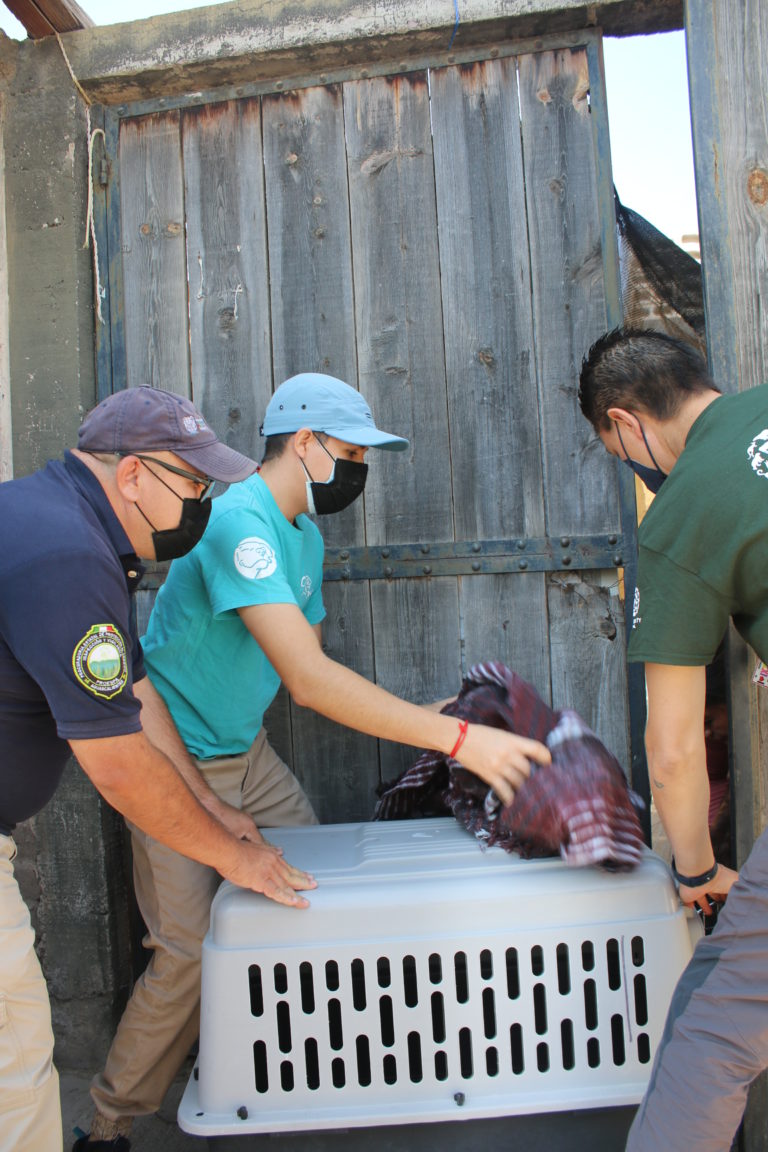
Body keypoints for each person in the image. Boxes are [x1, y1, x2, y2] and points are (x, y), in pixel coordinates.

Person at [83, 371, 552, 1149]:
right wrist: (459, 741)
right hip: (177, 760)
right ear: (303, 443)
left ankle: (299, 1081)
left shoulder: (304, 533)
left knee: (314, 909)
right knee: (186, 954)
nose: (360, 467)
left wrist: (445, 710)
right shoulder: (242, 524)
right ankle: (108, 1125)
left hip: (247, 753)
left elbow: (313, 663)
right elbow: (307, 683)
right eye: (351, 450)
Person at [0, 385, 317, 1152]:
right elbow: (117, 766)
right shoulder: (68, 554)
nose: (203, 505)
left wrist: (214, 810)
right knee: (18, 1070)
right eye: (194, 485)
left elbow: (135, 697)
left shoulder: (66, 526)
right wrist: (232, 857)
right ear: (134, 475)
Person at [578, 326, 768, 1152]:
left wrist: (694, 868)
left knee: (714, 1023)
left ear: (627, 424)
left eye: (615, 451)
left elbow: (674, 748)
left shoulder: (682, 512)